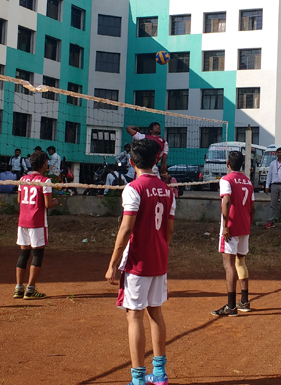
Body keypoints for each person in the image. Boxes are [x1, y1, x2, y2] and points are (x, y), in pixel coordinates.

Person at [105, 138, 175, 385]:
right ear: (156, 160)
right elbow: (168, 230)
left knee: (134, 316)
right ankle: (160, 374)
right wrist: (159, 247)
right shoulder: (168, 190)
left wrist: (113, 263)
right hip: (159, 258)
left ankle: (137, 378)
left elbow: (126, 228)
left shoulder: (133, 188)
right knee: (156, 312)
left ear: (132, 162)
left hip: (138, 261)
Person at [212, 151, 255, 317]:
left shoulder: (226, 180)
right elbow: (253, 208)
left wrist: (225, 226)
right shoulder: (248, 182)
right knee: (240, 262)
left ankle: (231, 306)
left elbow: (227, 201)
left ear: (228, 162)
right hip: (244, 226)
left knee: (229, 264)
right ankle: (244, 301)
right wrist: (248, 224)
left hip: (231, 227)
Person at [14, 151, 58, 300]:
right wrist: (55, 202)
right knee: (37, 255)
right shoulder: (45, 181)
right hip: (37, 222)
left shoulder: (23, 179)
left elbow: (19, 200)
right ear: (44, 164)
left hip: (23, 222)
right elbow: (48, 204)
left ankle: (18, 288)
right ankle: (30, 289)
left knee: (24, 254)